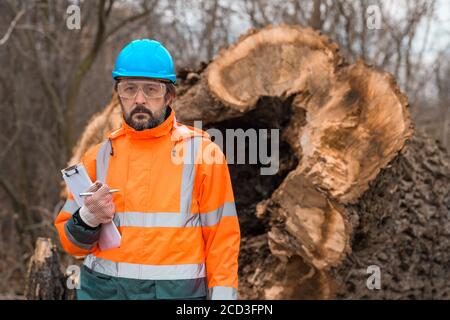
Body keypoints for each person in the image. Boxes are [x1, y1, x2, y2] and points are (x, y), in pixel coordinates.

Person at [54, 39, 240, 300]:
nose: (139, 99)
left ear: (169, 95)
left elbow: (222, 239)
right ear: (118, 93)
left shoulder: (202, 155)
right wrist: (87, 218)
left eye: (151, 90)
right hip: (104, 293)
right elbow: (70, 245)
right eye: (129, 89)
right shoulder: (98, 157)